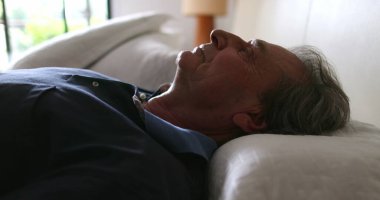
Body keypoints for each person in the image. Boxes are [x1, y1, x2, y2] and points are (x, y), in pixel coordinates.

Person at [0, 29, 349, 199]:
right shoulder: (126, 99)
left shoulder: (140, 174)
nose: (220, 34)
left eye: (247, 52)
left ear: (254, 118)